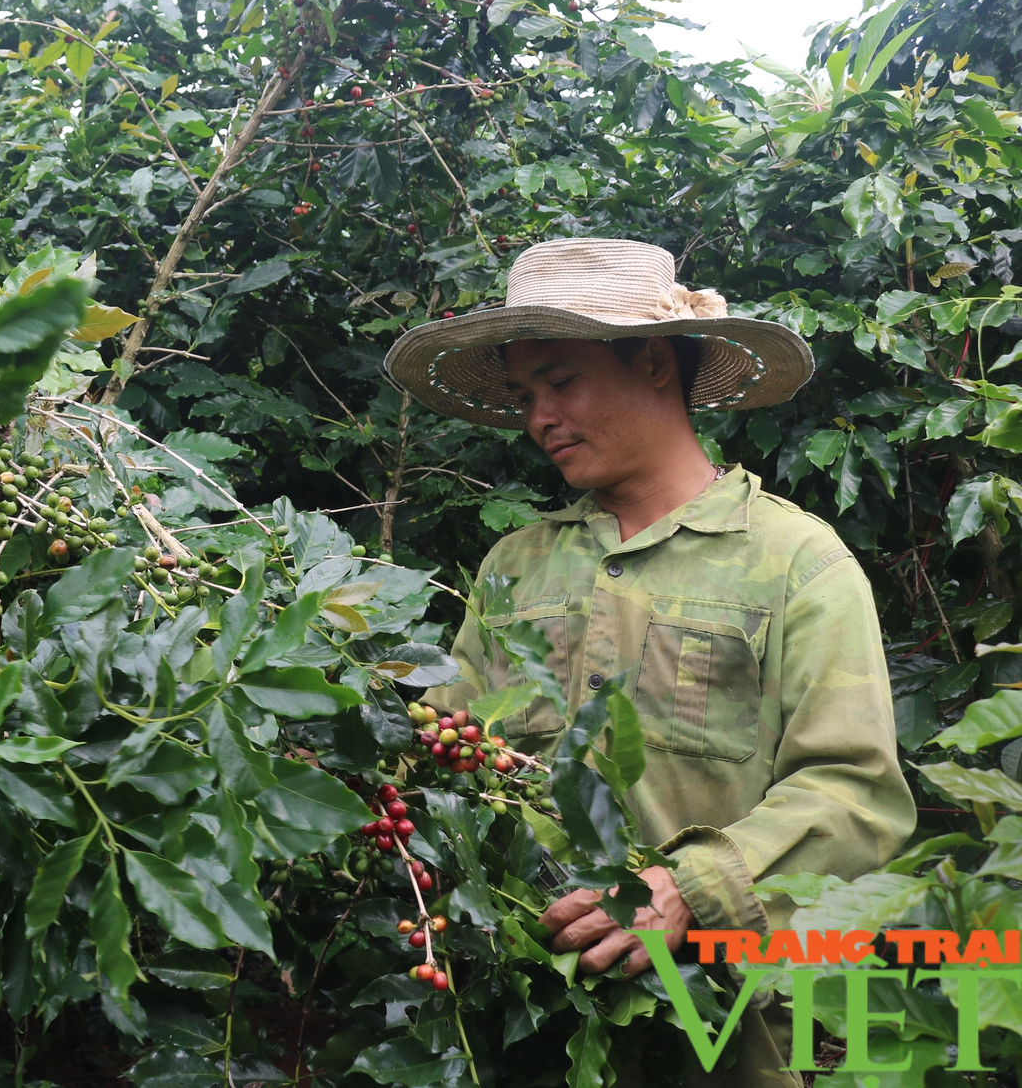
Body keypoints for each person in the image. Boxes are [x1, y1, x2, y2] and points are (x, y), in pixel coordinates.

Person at [384, 238, 914, 1085]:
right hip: (528, 1023)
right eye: (525, 394)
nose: (538, 417)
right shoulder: (515, 567)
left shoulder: (795, 562)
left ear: (657, 362)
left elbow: (856, 797)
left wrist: (690, 888)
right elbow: (444, 753)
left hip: (732, 1036)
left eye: (560, 380)